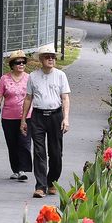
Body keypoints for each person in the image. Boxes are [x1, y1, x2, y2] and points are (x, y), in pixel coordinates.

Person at [22, 45, 71, 198]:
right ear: (41, 59)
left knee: (56, 153)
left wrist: (66, 118)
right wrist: (23, 119)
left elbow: (65, 98)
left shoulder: (60, 75)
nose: (51, 59)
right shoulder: (33, 76)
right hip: (37, 116)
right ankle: (40, 186)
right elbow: (28, 98)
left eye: (53, 57)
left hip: (55, 116)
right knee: (39, 152)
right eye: (47, 56)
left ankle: (52, 182)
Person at [0, 49, 32, 181]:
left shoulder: (29, 78)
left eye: (23, 62)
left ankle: (22, 170)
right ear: (12, 65)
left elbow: (33, 96)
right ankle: (15, 169)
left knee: (24, 143)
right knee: (12, 143)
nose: (21, 64)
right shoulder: (5, 79)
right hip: (8, 117)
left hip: (26, 117)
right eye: (18, 62)